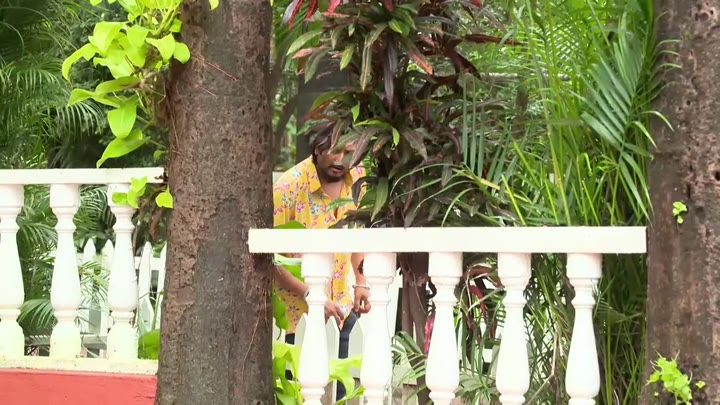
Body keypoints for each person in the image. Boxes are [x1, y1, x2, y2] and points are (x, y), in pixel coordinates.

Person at [272, 130, 371, 399]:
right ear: (317, 149)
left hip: (341, 309)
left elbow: (357, 233)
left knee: (341, 392)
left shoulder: (358, 179)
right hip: (297, 316)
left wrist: (361, 282)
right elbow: (271, 261)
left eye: (348, 153)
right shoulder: (288, 187)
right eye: (335, 151)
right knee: (302, 394)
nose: (340, 160)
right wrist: (311, 296)